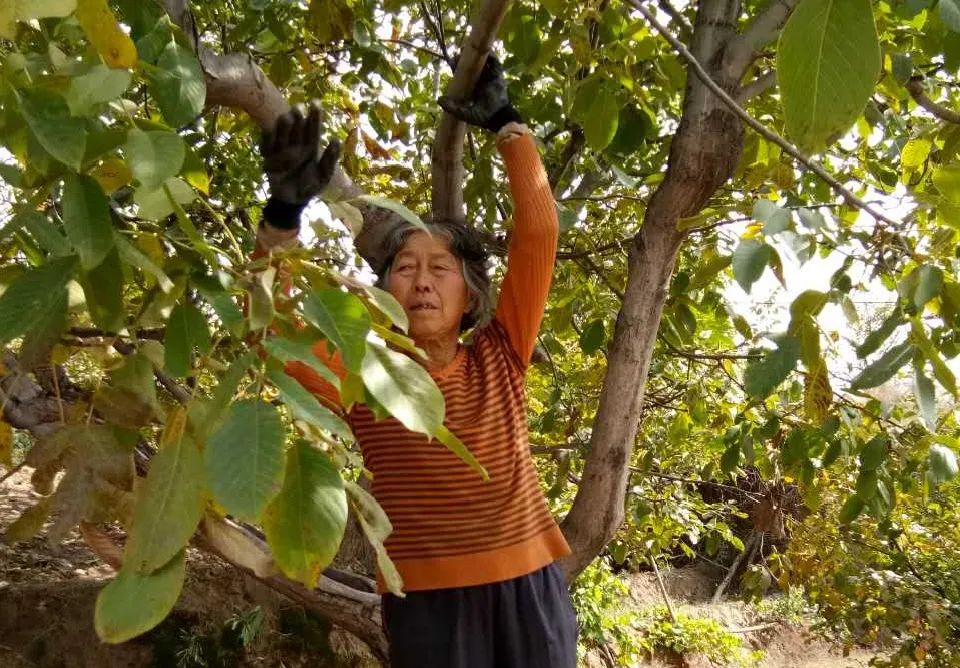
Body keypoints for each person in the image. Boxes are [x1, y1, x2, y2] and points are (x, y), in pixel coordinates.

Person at [256, 55, 578, 668]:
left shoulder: (500, 353)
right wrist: (282, 218)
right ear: (382, 295)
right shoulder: (361, 373)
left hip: (529, 585)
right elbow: (269, 330)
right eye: (404, 267)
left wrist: (507, 122)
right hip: (428, 604)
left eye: (440, 268)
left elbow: (539, 231)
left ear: (470, 298)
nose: (422, 281)